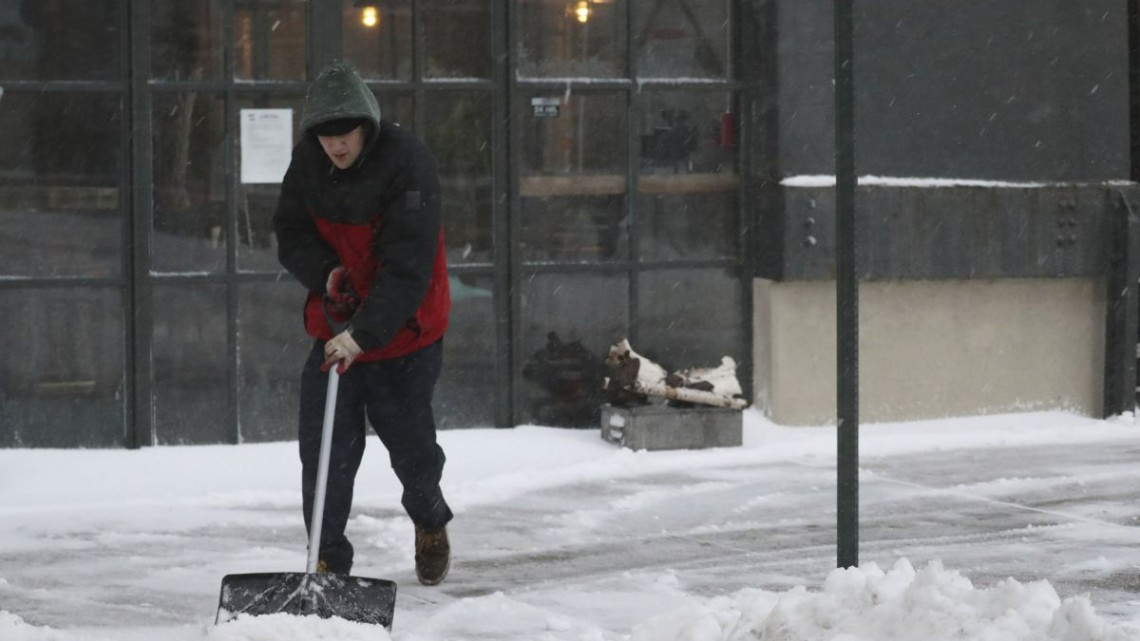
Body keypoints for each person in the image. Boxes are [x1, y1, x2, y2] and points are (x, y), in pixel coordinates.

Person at [273, 60, 452, 586]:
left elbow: (408, 266)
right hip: (336, 327)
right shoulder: (308, 163)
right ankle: (327, 563)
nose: (335, 144)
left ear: (366, 126)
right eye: (325, 135)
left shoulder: (407, 164)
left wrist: (364, 335)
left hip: (406, 332)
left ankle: (430, 521)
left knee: (412, 451)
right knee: (325, 454)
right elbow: (291, 233)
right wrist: (327, 275)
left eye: (344, 133)